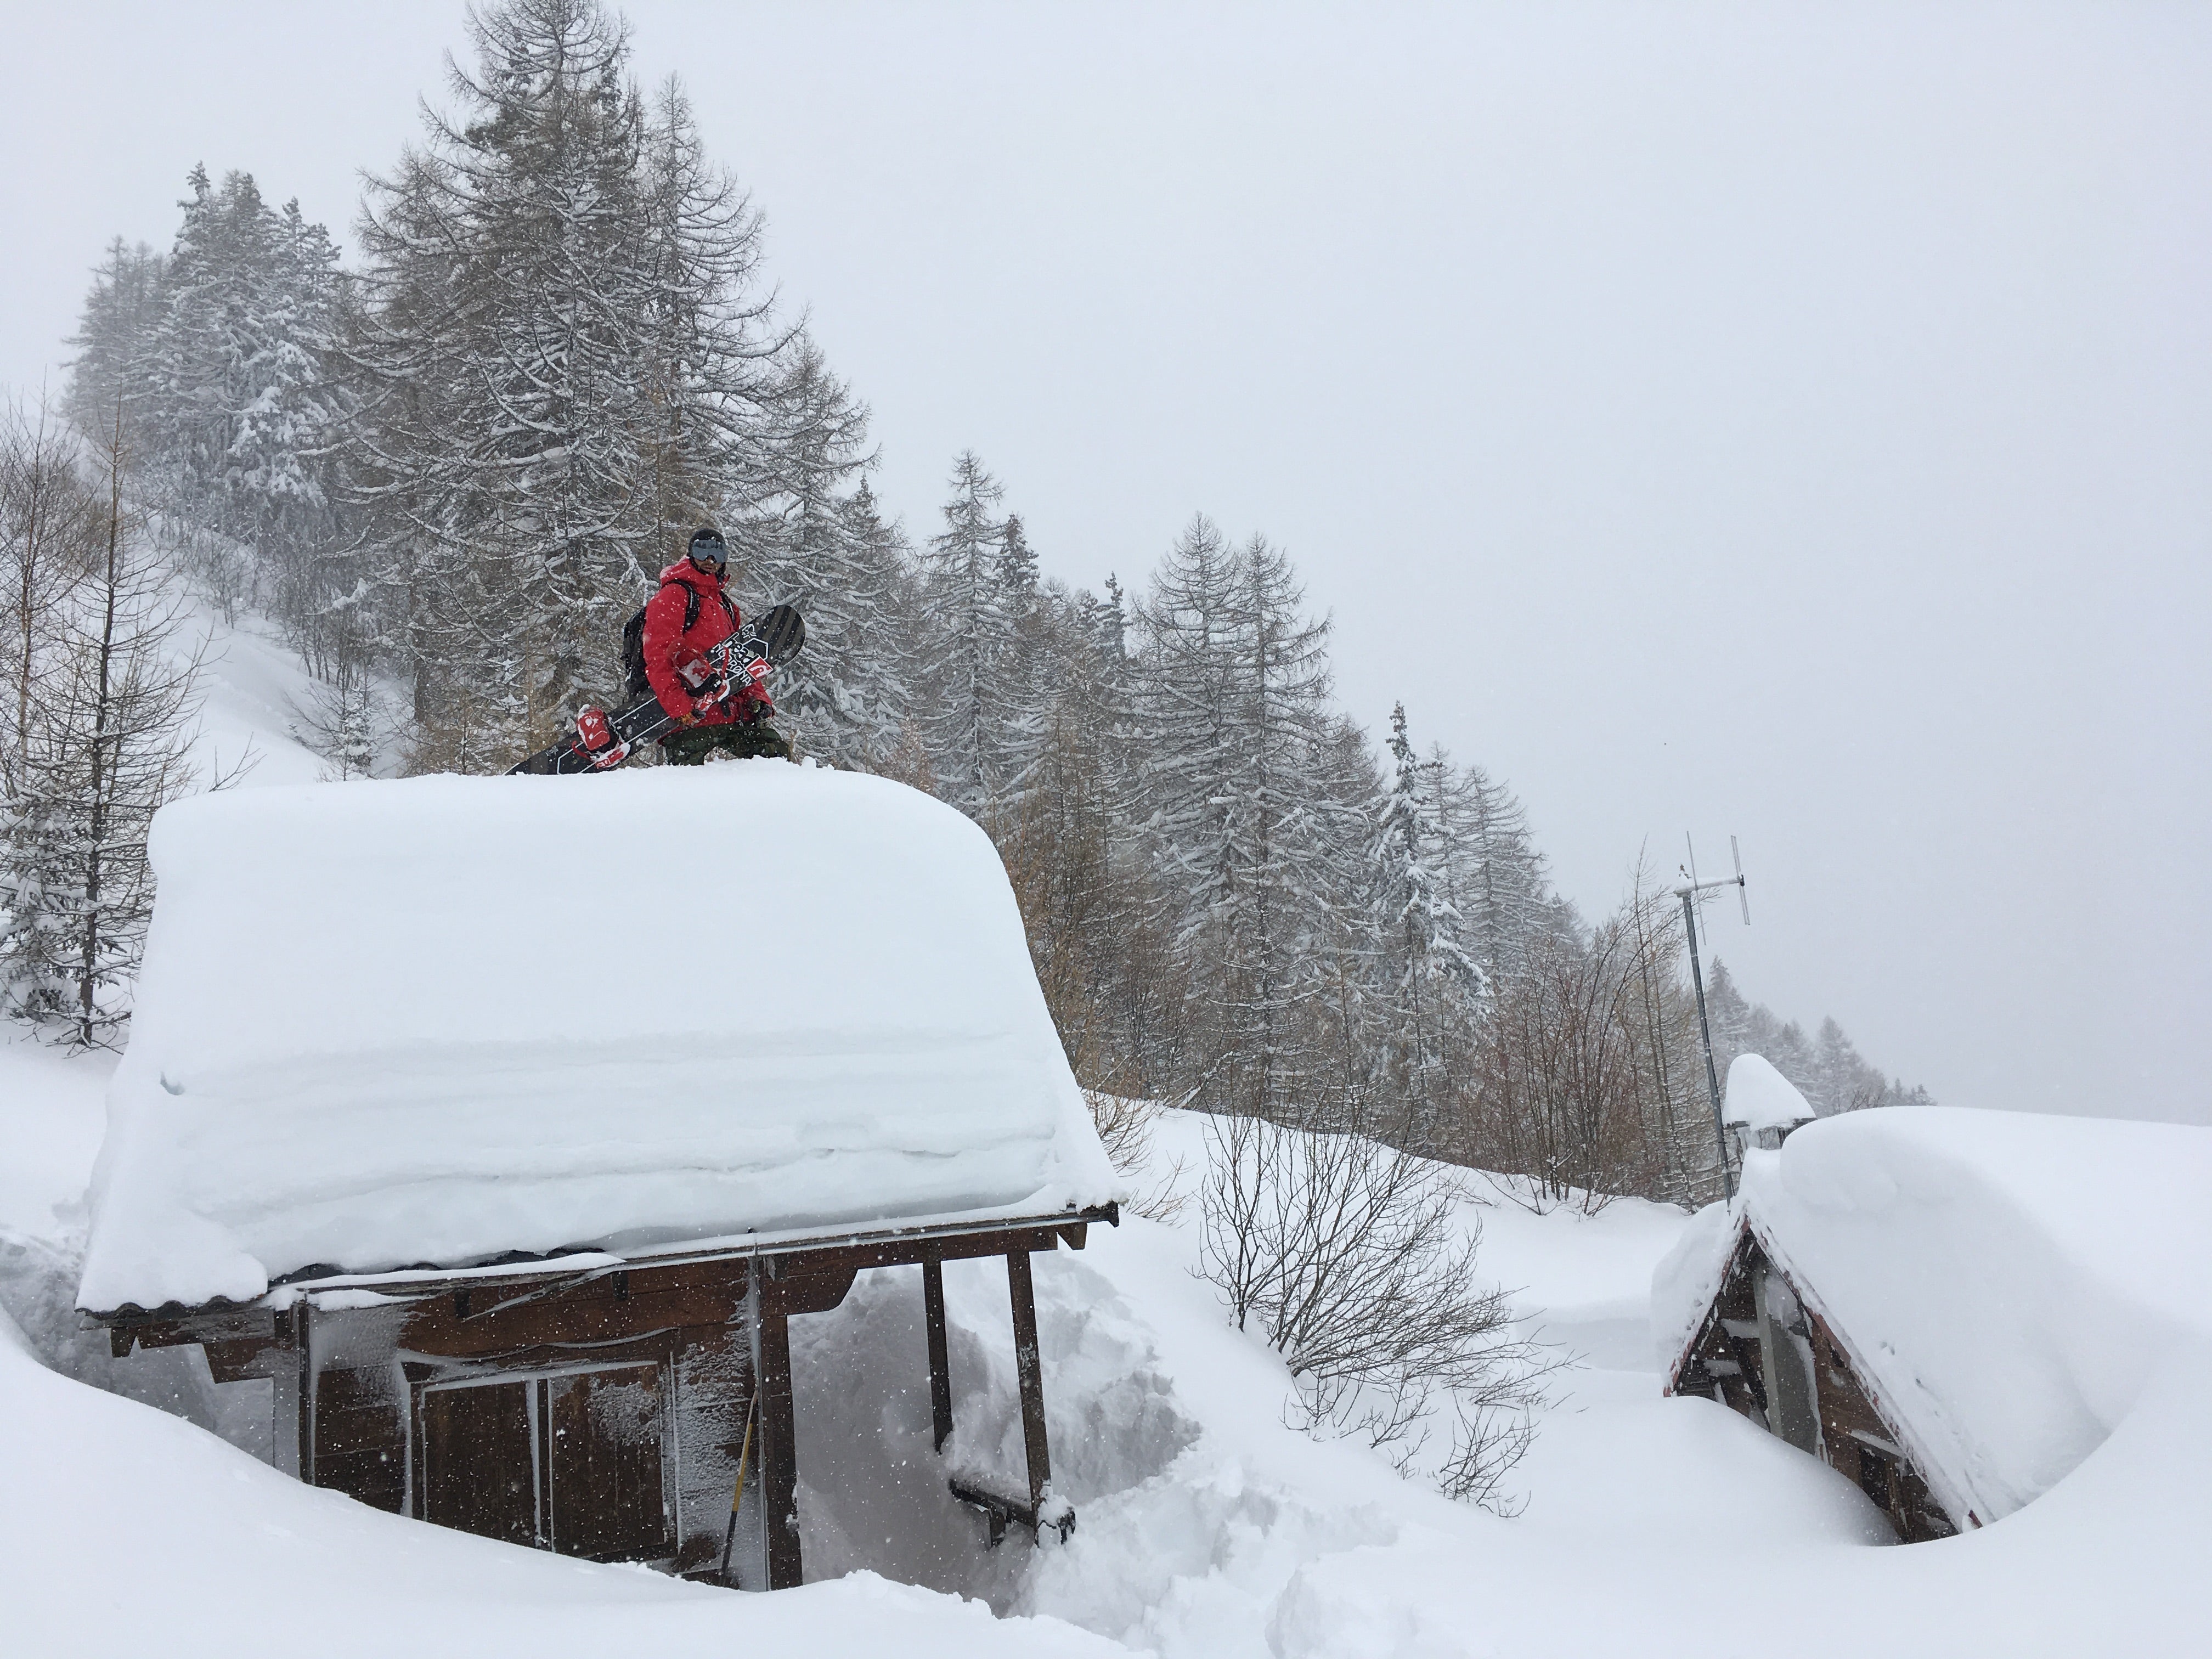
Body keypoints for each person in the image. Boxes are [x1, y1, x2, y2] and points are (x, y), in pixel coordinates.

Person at [642, 526, 791, 764]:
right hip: (690, 719)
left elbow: (742, 660)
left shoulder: (727, 606)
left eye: (718, 554)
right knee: (689, 786)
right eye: (703, 552)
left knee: (776, 757)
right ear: (691, 554)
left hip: (731, 716)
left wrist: (758, 699)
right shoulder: (674, 596)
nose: (711, 560)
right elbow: (658, 656)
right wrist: (680, 707)